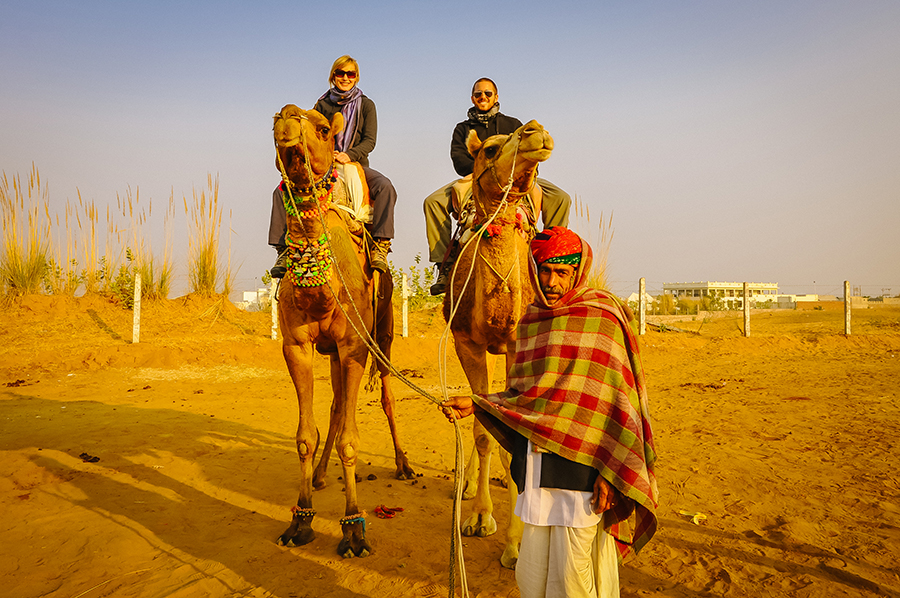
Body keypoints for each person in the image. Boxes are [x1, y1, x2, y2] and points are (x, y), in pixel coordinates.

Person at [441, 227, 658, 598]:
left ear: (577, 272)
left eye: (562, 272)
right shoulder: (530, 321)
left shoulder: (603, 317)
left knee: (574, 579)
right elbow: (526, 396)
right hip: (537, 468)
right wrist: (478, 403)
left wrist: (611, 472)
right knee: (531, 578)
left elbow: (617, 406)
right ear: (533, 270)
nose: (552, 282)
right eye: (545, 271)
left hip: (584, 474)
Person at [423, 77, 571, 295]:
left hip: (515, 177)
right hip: (476, 176)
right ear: (472, 98)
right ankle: (444, 265)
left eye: (487, 94)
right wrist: (486, 171)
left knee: (561, 198)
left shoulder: (512, 125)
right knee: (433, 202)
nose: (483, 97)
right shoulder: (463, 129)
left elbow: (526, 153)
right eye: (478, 94)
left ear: (496, 97)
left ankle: (552, 256)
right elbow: (458, 159)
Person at [269, 55, 397, 275]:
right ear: (333, 76)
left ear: (356, 78)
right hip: (325, 164)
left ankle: (380, 245)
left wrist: (349, 154)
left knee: (385, 187)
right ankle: (283, 249)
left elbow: (370, 140)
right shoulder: (321, 105)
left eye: (350, 74)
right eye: (341, 73)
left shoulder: (366, 105)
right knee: (281, 191)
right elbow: (313, 134)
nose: (345, 78)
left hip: (355, 163)